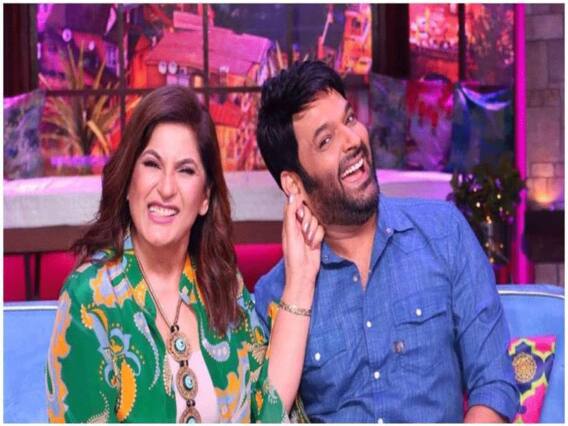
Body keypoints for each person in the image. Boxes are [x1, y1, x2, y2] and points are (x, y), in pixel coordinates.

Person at [254, 60, 520, 423]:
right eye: (326, 140)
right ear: (294, 184)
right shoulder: (277, 296)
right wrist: (300, 284)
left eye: (349, 119)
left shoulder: (444, 233)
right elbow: (266, 416)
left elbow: (493, 384)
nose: (353, 140)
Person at [46, 85, 323, 422]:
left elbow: (268, 410)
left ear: (205, 197)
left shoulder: (222, 283)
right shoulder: (89, 299)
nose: (166, 188)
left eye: (186, 170)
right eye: (152, 164)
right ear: (129, 179)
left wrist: (301, 278)